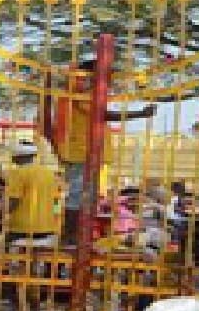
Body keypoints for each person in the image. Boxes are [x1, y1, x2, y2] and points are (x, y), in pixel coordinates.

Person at [46, 58, 157, 243]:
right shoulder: (81, 94)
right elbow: (102, 115)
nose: (106, 82)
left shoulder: (79, 93)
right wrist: (140, 114)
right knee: (77, 196)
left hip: (86, 152)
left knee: (86, 196)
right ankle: (70, 237)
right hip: (81, 152)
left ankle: (79, 236)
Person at [0, 141, 60, 247]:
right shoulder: (49, 173)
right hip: (48, 228)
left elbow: (12, 203)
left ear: (17, 156)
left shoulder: (18, 173)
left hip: (22, 229)